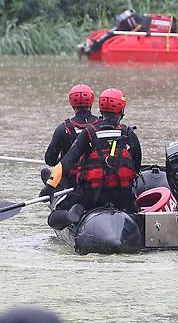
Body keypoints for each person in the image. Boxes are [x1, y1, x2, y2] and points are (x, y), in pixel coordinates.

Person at [46, 87, 142, 226]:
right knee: (132, 203)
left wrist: (50, 186)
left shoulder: (89, 132)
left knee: (53, 218)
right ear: (121, 110)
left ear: (100, 109)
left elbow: (67, 161)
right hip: (122, 196)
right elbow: (136, 167)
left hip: (92, 196)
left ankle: (71, 215)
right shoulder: (129, 133)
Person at [44, 85, 98, 168]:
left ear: (71, 102)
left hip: (71, 177)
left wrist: (63, 161)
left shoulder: (62, 129)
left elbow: (50, 160)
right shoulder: (100, 125)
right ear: (92, 101)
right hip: (96, 176)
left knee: (44, 172)